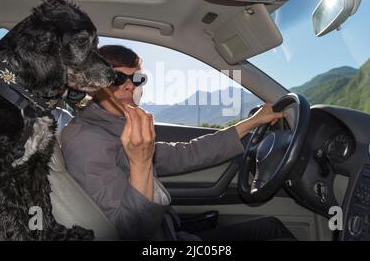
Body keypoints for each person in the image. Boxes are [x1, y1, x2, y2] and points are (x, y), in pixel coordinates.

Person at [60, 45, 295, 241]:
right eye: (116, 78)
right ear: (94, 84)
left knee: (271, 228)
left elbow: (185, 154)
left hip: (171, 234)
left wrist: (252, 123)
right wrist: (140, 163)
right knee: (271, 232)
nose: (129, 86)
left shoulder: (117, 125)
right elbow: (128, 232)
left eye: (137, 78)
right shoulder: (85, 140)